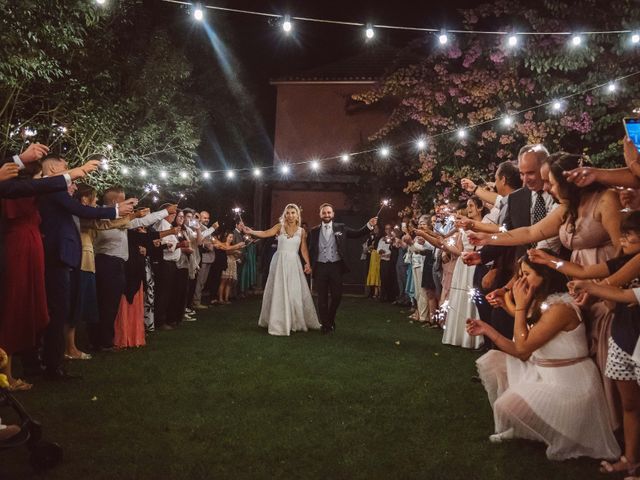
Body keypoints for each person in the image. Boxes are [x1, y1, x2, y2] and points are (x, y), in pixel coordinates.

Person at [467, 253, 620, 461]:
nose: (520, 281)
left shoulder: (560, 309)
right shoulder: (544, 303)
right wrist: (487, 328)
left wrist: (518, 306)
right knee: (494, 362)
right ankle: (526, 426)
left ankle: (547, 428)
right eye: (520, 274)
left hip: (568, 383)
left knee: (505, 407)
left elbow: (522, 349)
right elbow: (526, 328)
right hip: (542, 371)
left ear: (545, 276)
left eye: (527, 274)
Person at [37, 155, 136, 379]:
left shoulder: (52, 190)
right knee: (58, 311)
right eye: (65, 167)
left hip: (62, 255)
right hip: (55, 255)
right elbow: (84, 212)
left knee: (60, 310)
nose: (69, 172)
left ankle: (50, 361)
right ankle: (52, 365)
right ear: (52, 167)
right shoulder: (51, 190)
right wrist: (116, 210)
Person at [243, 204, 320, 336]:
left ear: (297, 215)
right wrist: (251, 232)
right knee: (279, 290)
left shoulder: (302, 231)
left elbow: (303, 249)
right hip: (279, 262)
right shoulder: (280, 227)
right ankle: (278, 321)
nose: (290, 215)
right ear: (285, 214)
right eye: (288, 213)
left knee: (294, 291)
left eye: (293, 213)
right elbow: (266, 233)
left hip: (294, 263)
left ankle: (294, 321)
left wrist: (307, 263)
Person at [307, 203, 377, 333]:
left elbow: (357, 234)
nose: (326, 215)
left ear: (333, 214)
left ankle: (330, 319)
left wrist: (369, 224)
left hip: (336, 266)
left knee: (337, 296)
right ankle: (326, 326)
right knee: (321, 298)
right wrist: (308, 264)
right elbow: (310, 249)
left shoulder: (341, 228)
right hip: (320, 267)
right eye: (324, 213)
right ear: (320, 214)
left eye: (329, 212)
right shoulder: (314, 231)